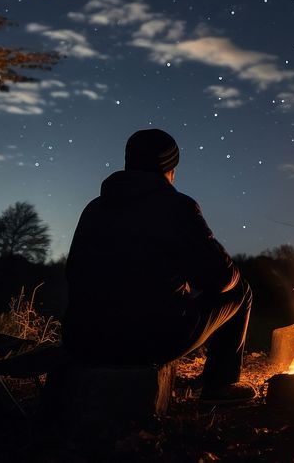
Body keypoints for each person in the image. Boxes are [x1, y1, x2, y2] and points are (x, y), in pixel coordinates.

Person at [62, 128, 256, 404]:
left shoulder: (94, 208)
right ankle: (220, 385)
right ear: (170, 168)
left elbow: (74, 273)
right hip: (147, 341)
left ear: (128, 162)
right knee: (241, 291)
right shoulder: (177, 207)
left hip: (83, 339)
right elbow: (221, 278)